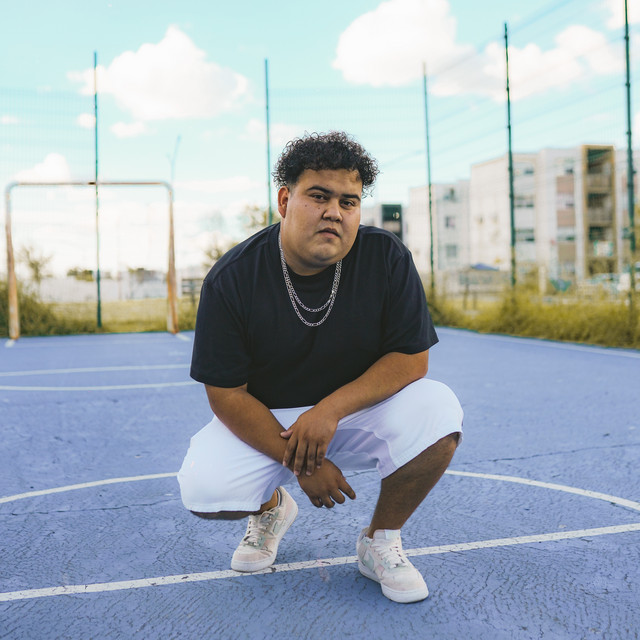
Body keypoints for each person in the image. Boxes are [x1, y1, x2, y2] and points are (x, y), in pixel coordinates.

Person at [178, 131, 463, 604]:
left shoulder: (385, 256)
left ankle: (380, 540)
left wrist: (328, 411)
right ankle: (271, 508)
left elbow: (412, 359)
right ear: (285, 201)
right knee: (205, 492)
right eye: (319, 196)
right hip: (270, 419)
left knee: (440, 410)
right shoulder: (233, 277)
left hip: (353, 413)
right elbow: (226, 394)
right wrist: (300, 461)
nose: (335, 211)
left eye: (349, 202)